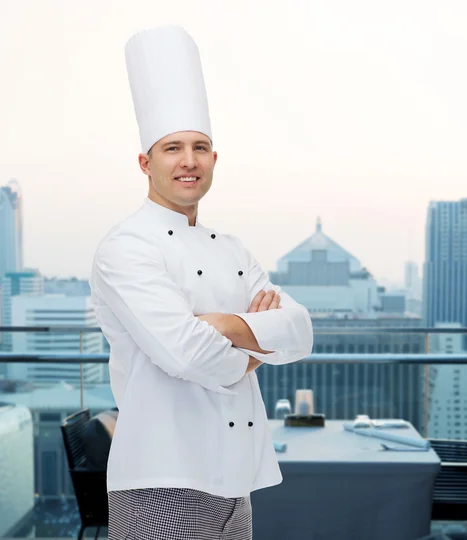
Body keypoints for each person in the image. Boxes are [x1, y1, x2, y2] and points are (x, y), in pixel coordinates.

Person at [89, 25, 313, 540]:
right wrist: (258, 344)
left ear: (214, 160)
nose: (188, 161)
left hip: (237, 475)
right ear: (146, 163)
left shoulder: (232, 247)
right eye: (172, 148)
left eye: (201, 147)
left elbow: (300, 329)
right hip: (160, 478)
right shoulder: (126, 247)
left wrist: (222, 324)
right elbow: (187, 355)